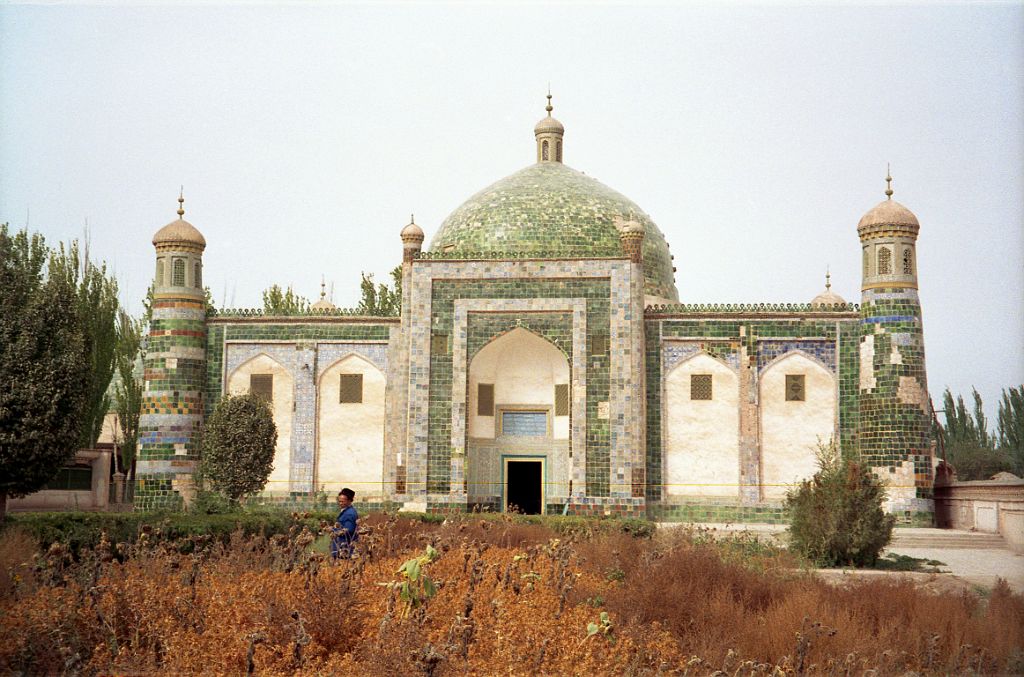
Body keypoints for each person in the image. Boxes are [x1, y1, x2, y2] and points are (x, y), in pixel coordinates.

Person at [331, 487, 358, 559]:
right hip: (341, 548)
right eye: (339, 501)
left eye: (343, 501)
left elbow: (349, 530)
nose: (340, 503)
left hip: (344, 549)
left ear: (350, 501)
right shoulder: (346, 511)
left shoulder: (350, 513)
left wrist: (335, 532)